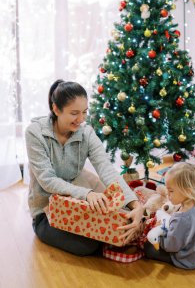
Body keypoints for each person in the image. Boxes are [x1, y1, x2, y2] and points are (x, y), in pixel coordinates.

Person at [25, 79, 144, 256]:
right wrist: (87, 194)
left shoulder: (86, 133)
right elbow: (47, 180)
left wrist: (136, 205)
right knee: (87, 245)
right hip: (46, 211)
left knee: (121, 223)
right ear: (56, 109)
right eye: (74, 113)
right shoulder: (35, 133)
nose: (81, 119)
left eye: (84, 112)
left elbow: (106, 169)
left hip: (79, 206)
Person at [144, 162, 195, 269]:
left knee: (148, 247)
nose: (168, 194)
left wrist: (159, 237)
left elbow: (170, 246)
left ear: (187, 191)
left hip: (189, 260)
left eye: (171, 191)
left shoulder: (182, 218)